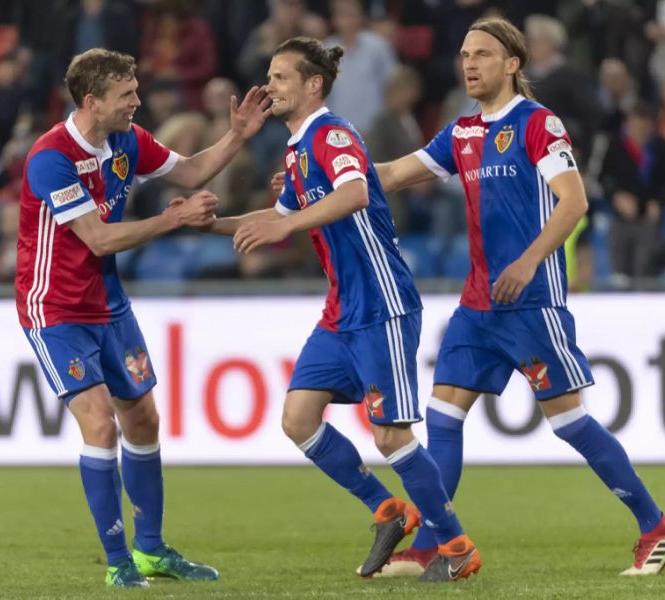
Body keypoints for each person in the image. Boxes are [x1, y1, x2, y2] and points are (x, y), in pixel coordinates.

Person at [355, 17, 665, 577]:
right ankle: (436, 543)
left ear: (513, 64)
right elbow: (390, 172)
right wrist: (327, 179)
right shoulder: (460, 134)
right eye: (464, 54)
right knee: (442, 416)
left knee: (569, 423)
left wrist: (530, 260)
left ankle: (656, 526)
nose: (469, 63)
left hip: (531, 305)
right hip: (477, 307)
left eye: (483, 54)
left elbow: (574, 201)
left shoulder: (538, 124)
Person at [205, 36, 481, 583]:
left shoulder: (333, 135)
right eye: (269, 74)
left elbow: (354, 194)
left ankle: (456, 545)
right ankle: (388, 510)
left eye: (281, 77)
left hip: (382, 303)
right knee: (298, 419)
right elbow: (276, 217)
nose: (269, 85)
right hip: (341, 311)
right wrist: (202, 223)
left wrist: (285, 222)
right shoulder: (297, 151)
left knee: (389, 435)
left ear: (313, 85)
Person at [15, 48, 270, 588]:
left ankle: (151, 549)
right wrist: (172, 220)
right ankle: (118, 563)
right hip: (55, 309)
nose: (137, 101)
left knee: (145, 421)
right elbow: (99, 237)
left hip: (108, 302)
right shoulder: (50, 157)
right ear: (92, 101)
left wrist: (238, 135)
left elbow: (194, 169)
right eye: (127, 94)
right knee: (100, 424)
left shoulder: (126, 140)